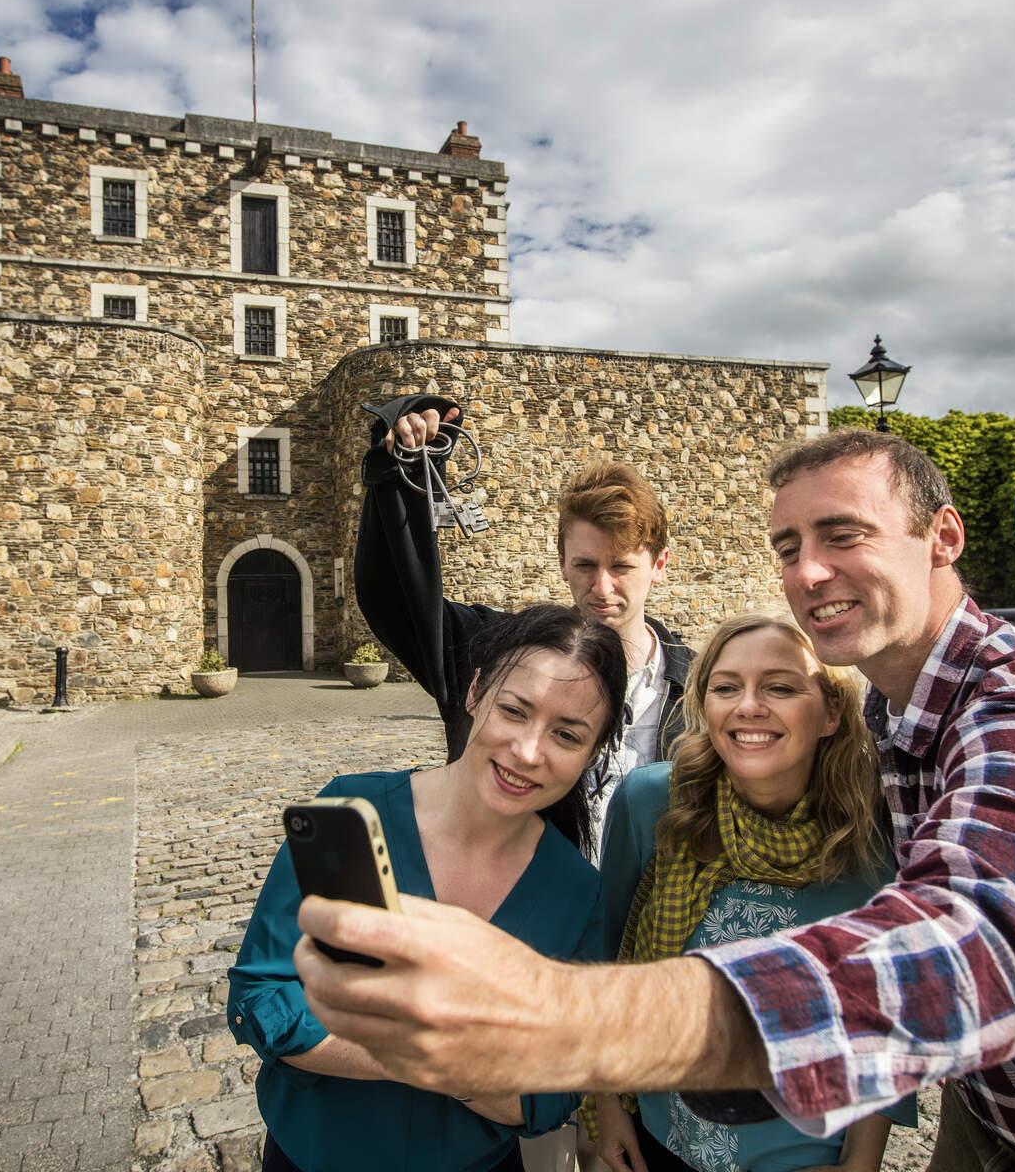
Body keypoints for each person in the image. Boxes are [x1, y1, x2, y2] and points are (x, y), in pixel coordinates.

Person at [292, 429, 1015, 1172]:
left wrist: (558, 1017)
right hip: (1002, 1113)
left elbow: (972, 951)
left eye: (842, 535)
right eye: (786, 546)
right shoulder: (889, 718)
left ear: (942, 536)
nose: (809, 571)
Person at [227, 604, 626, 1172]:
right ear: (474, 692)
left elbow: (553, 1090)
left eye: (567, 734)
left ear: (592, 752)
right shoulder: (350, 813)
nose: (529, 752)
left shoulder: (576, 891)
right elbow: (264, 998)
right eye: (515, 710)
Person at [587, 613, 912, 1172]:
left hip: (804, 1152)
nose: (748, 707)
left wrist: (862, 1163)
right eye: (726, 687)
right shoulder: (651, 805)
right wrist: (607, 1105)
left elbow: (883, 1027)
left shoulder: (875, 840)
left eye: (780, 687)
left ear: (832, 711)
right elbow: (604, 962)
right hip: (663, 1140)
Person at [354, 394, 692, 858]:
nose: (602, 586)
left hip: (653, 921)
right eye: (586, 564)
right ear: (561, 563)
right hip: (527, 910)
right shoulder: (498, 653)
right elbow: (392, 599)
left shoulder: (702, 687)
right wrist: (403, 474)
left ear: (659, 565)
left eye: (622, 566)